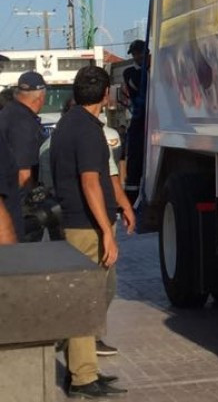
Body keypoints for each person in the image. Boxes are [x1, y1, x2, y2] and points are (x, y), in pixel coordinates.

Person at [50, 66, 127, 398]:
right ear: (106, 94)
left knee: (90, 299)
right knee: (84, 301)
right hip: (85, 228)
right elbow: (90, 182)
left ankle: (84, 370)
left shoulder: (71, 124)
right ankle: (82, 379)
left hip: (81, 224)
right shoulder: (85, 129)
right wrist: (106, 233)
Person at [0, 71, 47, 242]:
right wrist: (35, 205)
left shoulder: (9, 113)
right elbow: (23, 174)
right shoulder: (23, 122)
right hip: (17, 209)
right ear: (40, 97)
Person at [123, 40, 148, 192]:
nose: (137, 56)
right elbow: (137, 83)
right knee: (135, 154)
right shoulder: (130, 73)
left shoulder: (154, 68)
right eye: (135, 54)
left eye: (140, 52)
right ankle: (133, 189)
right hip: (139, 117)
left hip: (153, 117)